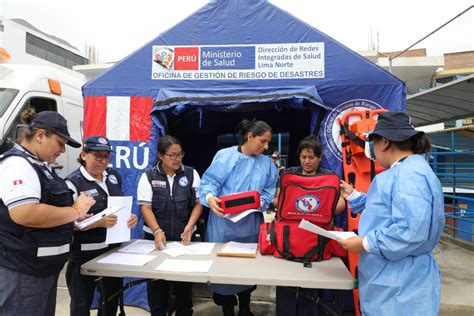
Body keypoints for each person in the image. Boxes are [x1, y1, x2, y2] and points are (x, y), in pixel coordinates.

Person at [338, 111, 445, 316]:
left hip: (399, 287)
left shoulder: (409, 175)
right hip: (397, 281)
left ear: (385, 142)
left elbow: (411, 231)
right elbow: (384, 209)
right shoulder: (410, 170)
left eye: (373, 144)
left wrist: (364, 243)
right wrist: (354, 196)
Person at [0, 110, 95, 316]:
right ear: (40, 135)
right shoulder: (18, 165)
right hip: (24, 273)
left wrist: (71, 220)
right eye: (60, 143)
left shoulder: (40, 166)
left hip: (42, 271)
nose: (62, 150)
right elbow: (24, 213)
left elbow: (50, 213)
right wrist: (74, 212)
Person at [199, 119, 278, 316]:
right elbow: (209, 182)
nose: (266, 147)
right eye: (263, 141)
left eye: (268, 142)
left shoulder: (268, 165)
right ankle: (227, 311)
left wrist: (258, 204)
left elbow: (268, 193)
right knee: (224, 270)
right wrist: (210, 198)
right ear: (249, 137)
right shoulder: (225, 157)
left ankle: (245, 308)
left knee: (247, 269)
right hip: (223, 225)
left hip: (250, 225)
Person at [65, 136, 139, 316]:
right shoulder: (73, 182)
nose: (103, 161)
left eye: (107, 156)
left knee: (110, 301)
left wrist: (129, 217)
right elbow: (66, 222)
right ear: (84, 155)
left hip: (112, 251)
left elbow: (118, 206)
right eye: (98, 156)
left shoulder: (113, 176)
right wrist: (96, 223)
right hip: (84, 254)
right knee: (81, 304)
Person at [273, 135, 345, 316]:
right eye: (303, 157)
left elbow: (341, 204)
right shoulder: (289, 175)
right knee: (286, 285)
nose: (306, 161)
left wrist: (322, 208)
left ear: (320, 158)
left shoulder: (329, 178)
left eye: (311, 157)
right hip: (289, 239)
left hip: (316, 241)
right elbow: (277, 201)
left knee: (310, 288)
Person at [137, 135, 202, 316]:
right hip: (156, 240)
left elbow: (198, 203)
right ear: (160, 155)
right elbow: (146, 207)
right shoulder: (148, 176)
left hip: (184, 241)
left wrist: (190, 226)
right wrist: (157, 230)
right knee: (157, 291)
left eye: (180, 154)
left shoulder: (190, 174)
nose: (177, 159)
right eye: (172, 155)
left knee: (183, 291)